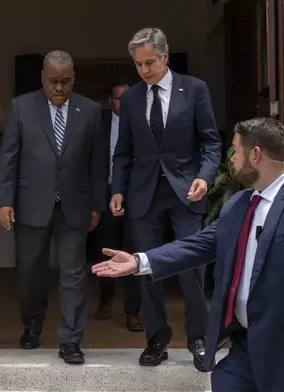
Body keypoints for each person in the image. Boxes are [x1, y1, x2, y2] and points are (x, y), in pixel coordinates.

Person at [93, 117, 284, 391]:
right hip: (243, 352)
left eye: (235, 152)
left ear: (255, 155)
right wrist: (140, 261)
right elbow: (200, 245)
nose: (230, 160)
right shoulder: (240, 203)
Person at [110, 27, 222, 366]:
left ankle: (199, 338)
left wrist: (204, 178)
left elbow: (211, 142)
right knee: (145, 269)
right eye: (138, 64)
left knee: (191, 267)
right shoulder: (130, 98)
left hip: (185, 193)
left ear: (165, 57)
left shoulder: (195, 89)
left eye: (150, 63)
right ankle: (156, 338)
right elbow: (123, 152)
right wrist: (117, 189)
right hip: (143, 195)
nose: (144, 71)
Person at [0, 50, 107, 364]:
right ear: (42, 78)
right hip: (31, 203)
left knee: (73, 275)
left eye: (65, 81)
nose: (59, 88)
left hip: (75, 205)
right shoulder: (21, 107)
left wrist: (97, 204)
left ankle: (71, 340)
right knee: (30, 273)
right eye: (53, 81)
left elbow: (97, 163)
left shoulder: (91, 110)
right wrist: (4, 200)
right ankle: (31, 327)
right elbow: (9, 157)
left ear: (74, 78)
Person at [86, 80, 143, 331]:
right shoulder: (100, 124)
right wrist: (95, 202)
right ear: (110, 100)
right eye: (119, 98)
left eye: (128, 97)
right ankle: (106, 298)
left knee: (134, 251)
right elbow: (91, 164)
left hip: (136, 195)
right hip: (107, 192)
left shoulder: (142, 120)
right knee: (105, 249)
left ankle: (133, 311)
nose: (124, 102)